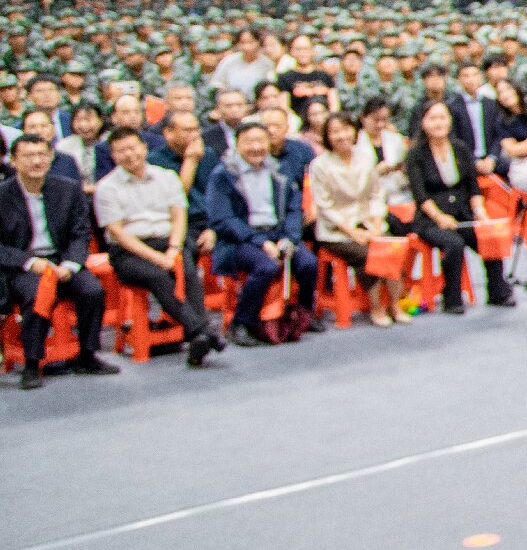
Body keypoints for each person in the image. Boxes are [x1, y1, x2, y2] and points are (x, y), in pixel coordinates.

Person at [94, 125, 225, 364]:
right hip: (129, 251)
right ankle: (201, 331)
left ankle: (199, 334)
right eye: (122, 151)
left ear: (144, 148)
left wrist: (173, 249)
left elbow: (179, 216)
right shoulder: (106, 187)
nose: (130, 154)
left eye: (133, 148)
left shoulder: (166, 177)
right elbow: (118, 233)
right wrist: (157, 258)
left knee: (187, 270)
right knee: (158, 275)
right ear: (113, 156)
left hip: (168, 242)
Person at [5, 129, 117, 386]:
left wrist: (71, 264)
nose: (36, 161)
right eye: (28, 156)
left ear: (51, 157)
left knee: (92, 290)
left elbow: (80, 233)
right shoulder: (3, 195)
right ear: (14, 161)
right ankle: (32, 363)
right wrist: (30, 262)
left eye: (42, 155)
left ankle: (87, 355)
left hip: (62, 261)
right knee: (36, 294)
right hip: (24, 266)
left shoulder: (68, 189)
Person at [207, 117, 317, 347]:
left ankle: (304, 313)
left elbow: (293, 209)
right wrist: (259, 242)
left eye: (261, 141)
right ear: (237, 144)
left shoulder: (280, 171)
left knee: (308, 263)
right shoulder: (223, 174)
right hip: (240, 239)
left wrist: (290, 238)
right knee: (265, 266)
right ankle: (241, 323)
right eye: (249, 142)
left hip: (277, 234)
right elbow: (224, 219)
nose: (256, 147)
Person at [407, 100, 513, 314]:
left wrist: (480, 212)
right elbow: (421, 196)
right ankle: (452, 298)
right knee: (453, 243)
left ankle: (498, 292)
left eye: (442, 117)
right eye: (433, 118)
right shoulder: (416, 154)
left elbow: (473, 187)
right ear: (423, 123)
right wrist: (440, 218)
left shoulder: (460, 148)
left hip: (463, 213)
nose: (438, 123)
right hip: (431, 219)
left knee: (489, 237)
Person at [308, 110, 402, 327]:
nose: (341, 136)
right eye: (335, 131)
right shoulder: (320, 165)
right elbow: (325, 206)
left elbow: (376, 194)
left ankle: (395, 304)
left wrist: (376, 224)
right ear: (327, 136)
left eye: (345, 129)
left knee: (389, 247)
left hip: (367, 221)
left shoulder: (366, 158)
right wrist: (352, 232)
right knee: (366, 254)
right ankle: (376, 307)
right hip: (336, 230)